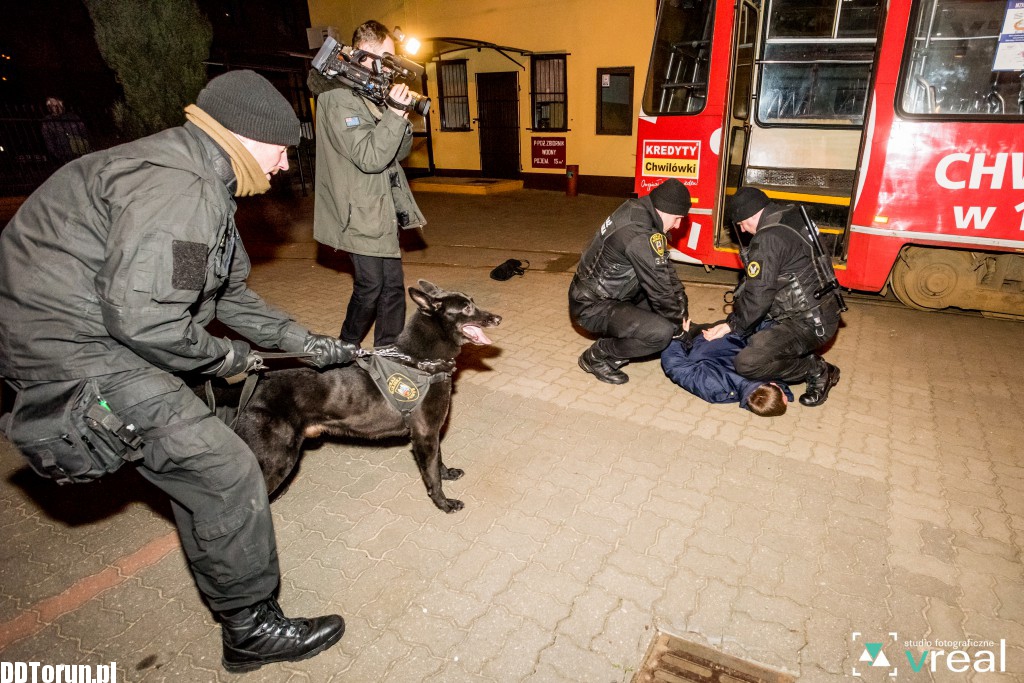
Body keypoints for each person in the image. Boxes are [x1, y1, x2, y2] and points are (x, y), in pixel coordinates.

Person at [0, 70, 356, 672]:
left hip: (93, 326)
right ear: (245, 137)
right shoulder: (183, 189)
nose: (284, 165)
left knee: (207, 434)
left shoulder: (199, 177)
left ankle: (224, 558)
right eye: (281, 150)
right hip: (71, 346)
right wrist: (226, 357)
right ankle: (250, 631)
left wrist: (307, 343)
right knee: (224, 469)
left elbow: (225, 297)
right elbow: (145, 319)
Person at [311, 19, 426, 348]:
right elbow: (369, 157)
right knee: (371, 287)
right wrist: (393, 115)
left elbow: (397, 153)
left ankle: (387, 355)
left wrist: (399, 116)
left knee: (392, 288)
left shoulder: (371, 96)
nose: (392, 69)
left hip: (381, 209)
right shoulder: (337, 100)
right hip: (356, 213)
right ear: (364, 57)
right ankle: (344, 350)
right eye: (387, 59)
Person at [702, 187, 842, 406]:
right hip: (824, 307)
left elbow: (759, 296)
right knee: (749, 331)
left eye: (740, 224)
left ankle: (817, 370)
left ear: (749, 216)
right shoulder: (791, 215)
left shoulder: (768, 238)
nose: (744, 230)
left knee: (748, 362)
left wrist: (733, 325)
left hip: (809, 323)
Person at [569, 178, 690, 384]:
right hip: (591, 306)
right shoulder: (639, 235)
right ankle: (598, 356)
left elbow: (663, 268)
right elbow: (659, 289)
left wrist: (681, 305)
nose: (678, 226)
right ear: (664, 210)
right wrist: (677, 329)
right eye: (677, 218)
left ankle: (627, 331)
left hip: (613, 292)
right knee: (661, 332)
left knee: (670, 312)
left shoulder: (639, 209)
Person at [661, 321, 793, 416]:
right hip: (722, 334)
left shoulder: (769, 370)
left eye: (783, 394)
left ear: (773, 384)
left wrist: (679, 338)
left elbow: (676, 367)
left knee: (674, 323)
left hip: (710, 337)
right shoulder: (717, 392)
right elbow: (677, 368)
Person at [41, 96, 90, 164]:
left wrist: (85, 145)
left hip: (79, 151)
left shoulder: (73, 116)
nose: (56, 107)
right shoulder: (48, 121)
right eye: (52, 105)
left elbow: (84, 133)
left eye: (57, 104)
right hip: (64, 154)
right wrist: (58, 154)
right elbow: (48, 140)